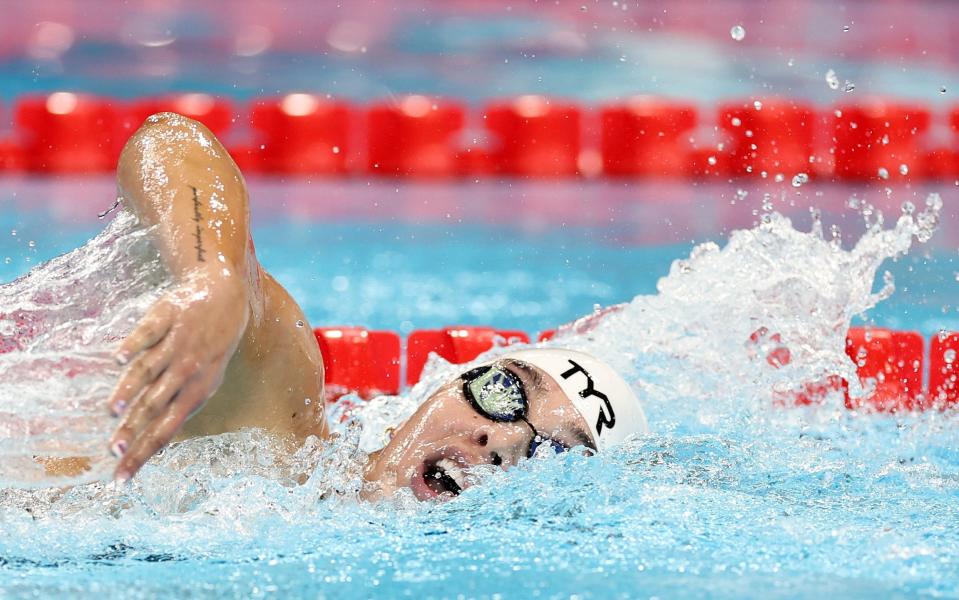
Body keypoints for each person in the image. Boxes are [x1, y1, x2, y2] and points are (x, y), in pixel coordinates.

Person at [76, 112, 649, 499]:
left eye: (550, 454)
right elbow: (170, 141)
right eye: (504, 394)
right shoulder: (275, 422)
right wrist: (214, 279)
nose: (500, 443)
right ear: (444, 385)